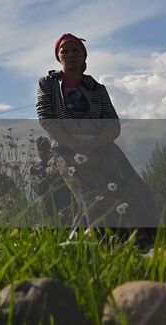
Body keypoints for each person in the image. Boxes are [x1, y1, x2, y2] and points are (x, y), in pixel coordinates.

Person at [36, 33, 158, 233]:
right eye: (64, 50)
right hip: (67, 151)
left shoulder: (97, 88)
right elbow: (46, 119)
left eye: (75, 50)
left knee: (137, 194)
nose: (70, 54)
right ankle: (104, 249)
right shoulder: (47, 84)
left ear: (84, 56)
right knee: (93, 201)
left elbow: (113, 124)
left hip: (104, 148)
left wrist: (94, 144)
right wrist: (78, 148)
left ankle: (146, 243)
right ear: (58, 56)